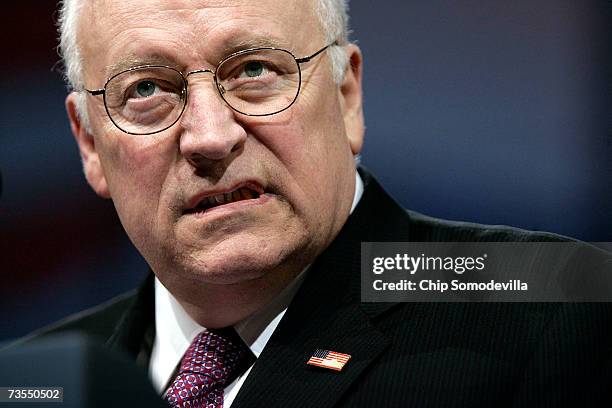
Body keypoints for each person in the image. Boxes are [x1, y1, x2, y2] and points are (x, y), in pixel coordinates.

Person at [10, 0, 612, 407]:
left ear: (347, 96)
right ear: (89, 144)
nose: (211, 136)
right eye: (146, 89)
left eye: (253, 70)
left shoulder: (561, 307)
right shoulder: (32, 381)